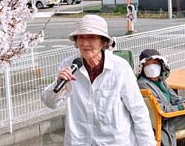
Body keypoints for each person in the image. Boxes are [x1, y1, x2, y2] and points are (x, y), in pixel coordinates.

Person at [41, 15, 156, 146]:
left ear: (103, 42)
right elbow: (49, 102)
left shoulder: (120, 67)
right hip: (78, 141)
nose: (85, 43)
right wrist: (59, 84)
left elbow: (138, 111)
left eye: (91, 38)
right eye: (81, 37)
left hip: (115, 142)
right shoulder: (68, 65)